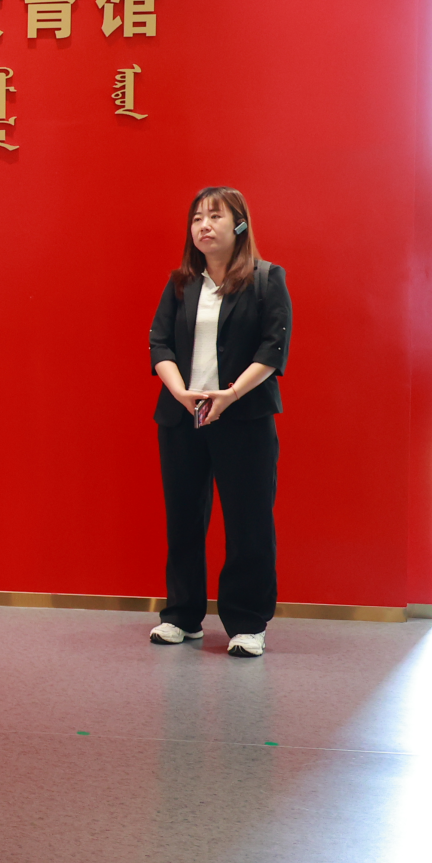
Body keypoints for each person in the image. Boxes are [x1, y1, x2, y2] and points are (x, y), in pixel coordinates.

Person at [147, 187, 291, 658]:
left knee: (249, 521)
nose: (203, 226)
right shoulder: (181, 283)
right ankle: (181, 616)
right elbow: (159, 344)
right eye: (196, 219)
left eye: (215, 217)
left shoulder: (267, 279)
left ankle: (247, 623)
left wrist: (229, 395)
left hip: (243, 416)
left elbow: (273, 349)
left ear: (239, 225)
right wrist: (180, 392)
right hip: (183, 417)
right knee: (184, 520)